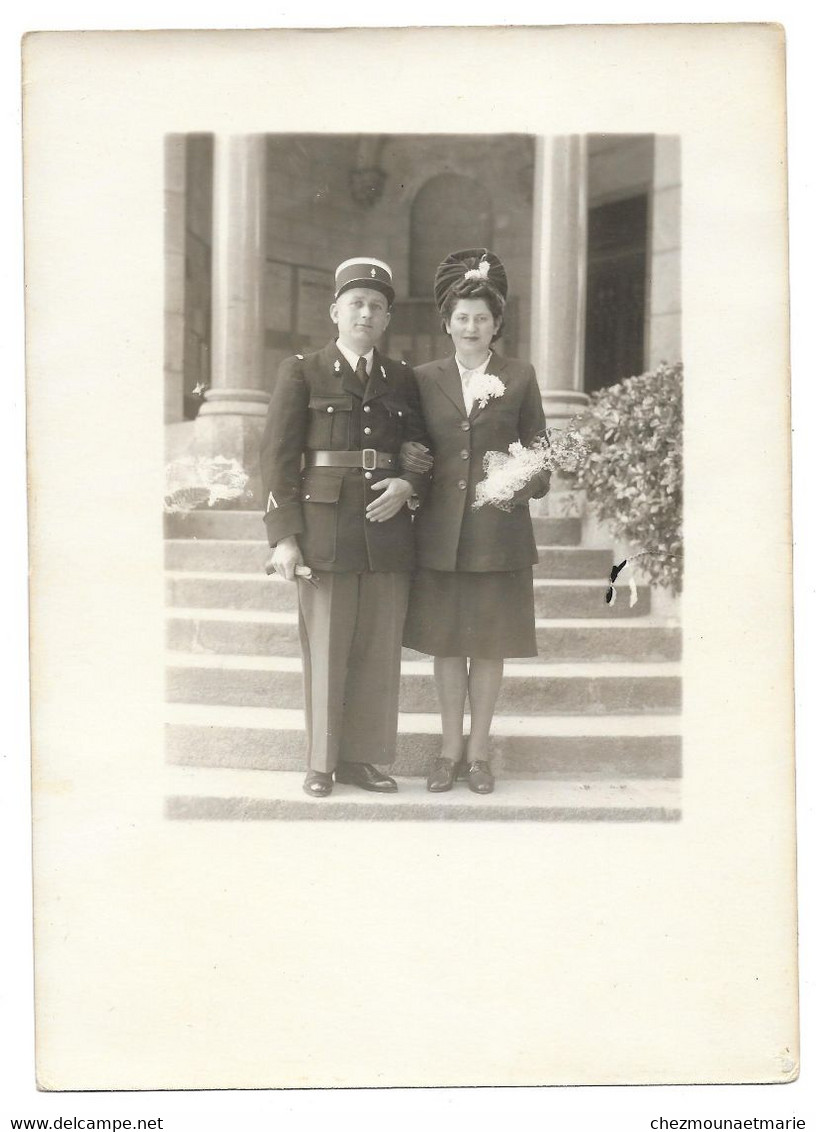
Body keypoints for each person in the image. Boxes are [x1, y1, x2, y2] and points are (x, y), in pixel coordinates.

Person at [260, 257, 430, 798]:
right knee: (328, 647)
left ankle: (366, 761)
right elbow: (278, 458)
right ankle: (321, 763)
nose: (366, 312)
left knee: (379, 650)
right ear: (335, 311)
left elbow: (424, 452)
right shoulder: (302, 370)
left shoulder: (403, 378)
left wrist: (408, 483)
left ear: (386, 320)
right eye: (356, 303)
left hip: (386, 528)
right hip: (324, 526)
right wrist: (284, 536)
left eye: (377, 306)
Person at [402, 249, 550, 794]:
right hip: (439, 534)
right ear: (447, 324)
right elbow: (410, 444)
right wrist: (410, 459)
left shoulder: (520, 375)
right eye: (462, 317)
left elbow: (540, 452)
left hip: (498, 533)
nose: (472, 327)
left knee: (488, 644)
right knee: (446, 644)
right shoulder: (422, 378)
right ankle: (448, 750)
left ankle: (480, 752)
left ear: (497, 326)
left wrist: (519, 483)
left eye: (482, 319)